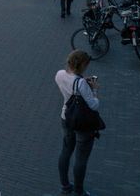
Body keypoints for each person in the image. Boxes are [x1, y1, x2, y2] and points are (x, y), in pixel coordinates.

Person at [56, 50, 101, 196]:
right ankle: (79, 191)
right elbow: (94, 105)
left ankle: (65, 186)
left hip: (66, 118)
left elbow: (71, 86)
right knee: (81, 158)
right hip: (82, 124)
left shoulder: (59, 74)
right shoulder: (81, 83)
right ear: (82, 65)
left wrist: (81, 81)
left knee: (66, 151)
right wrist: (94, 90)